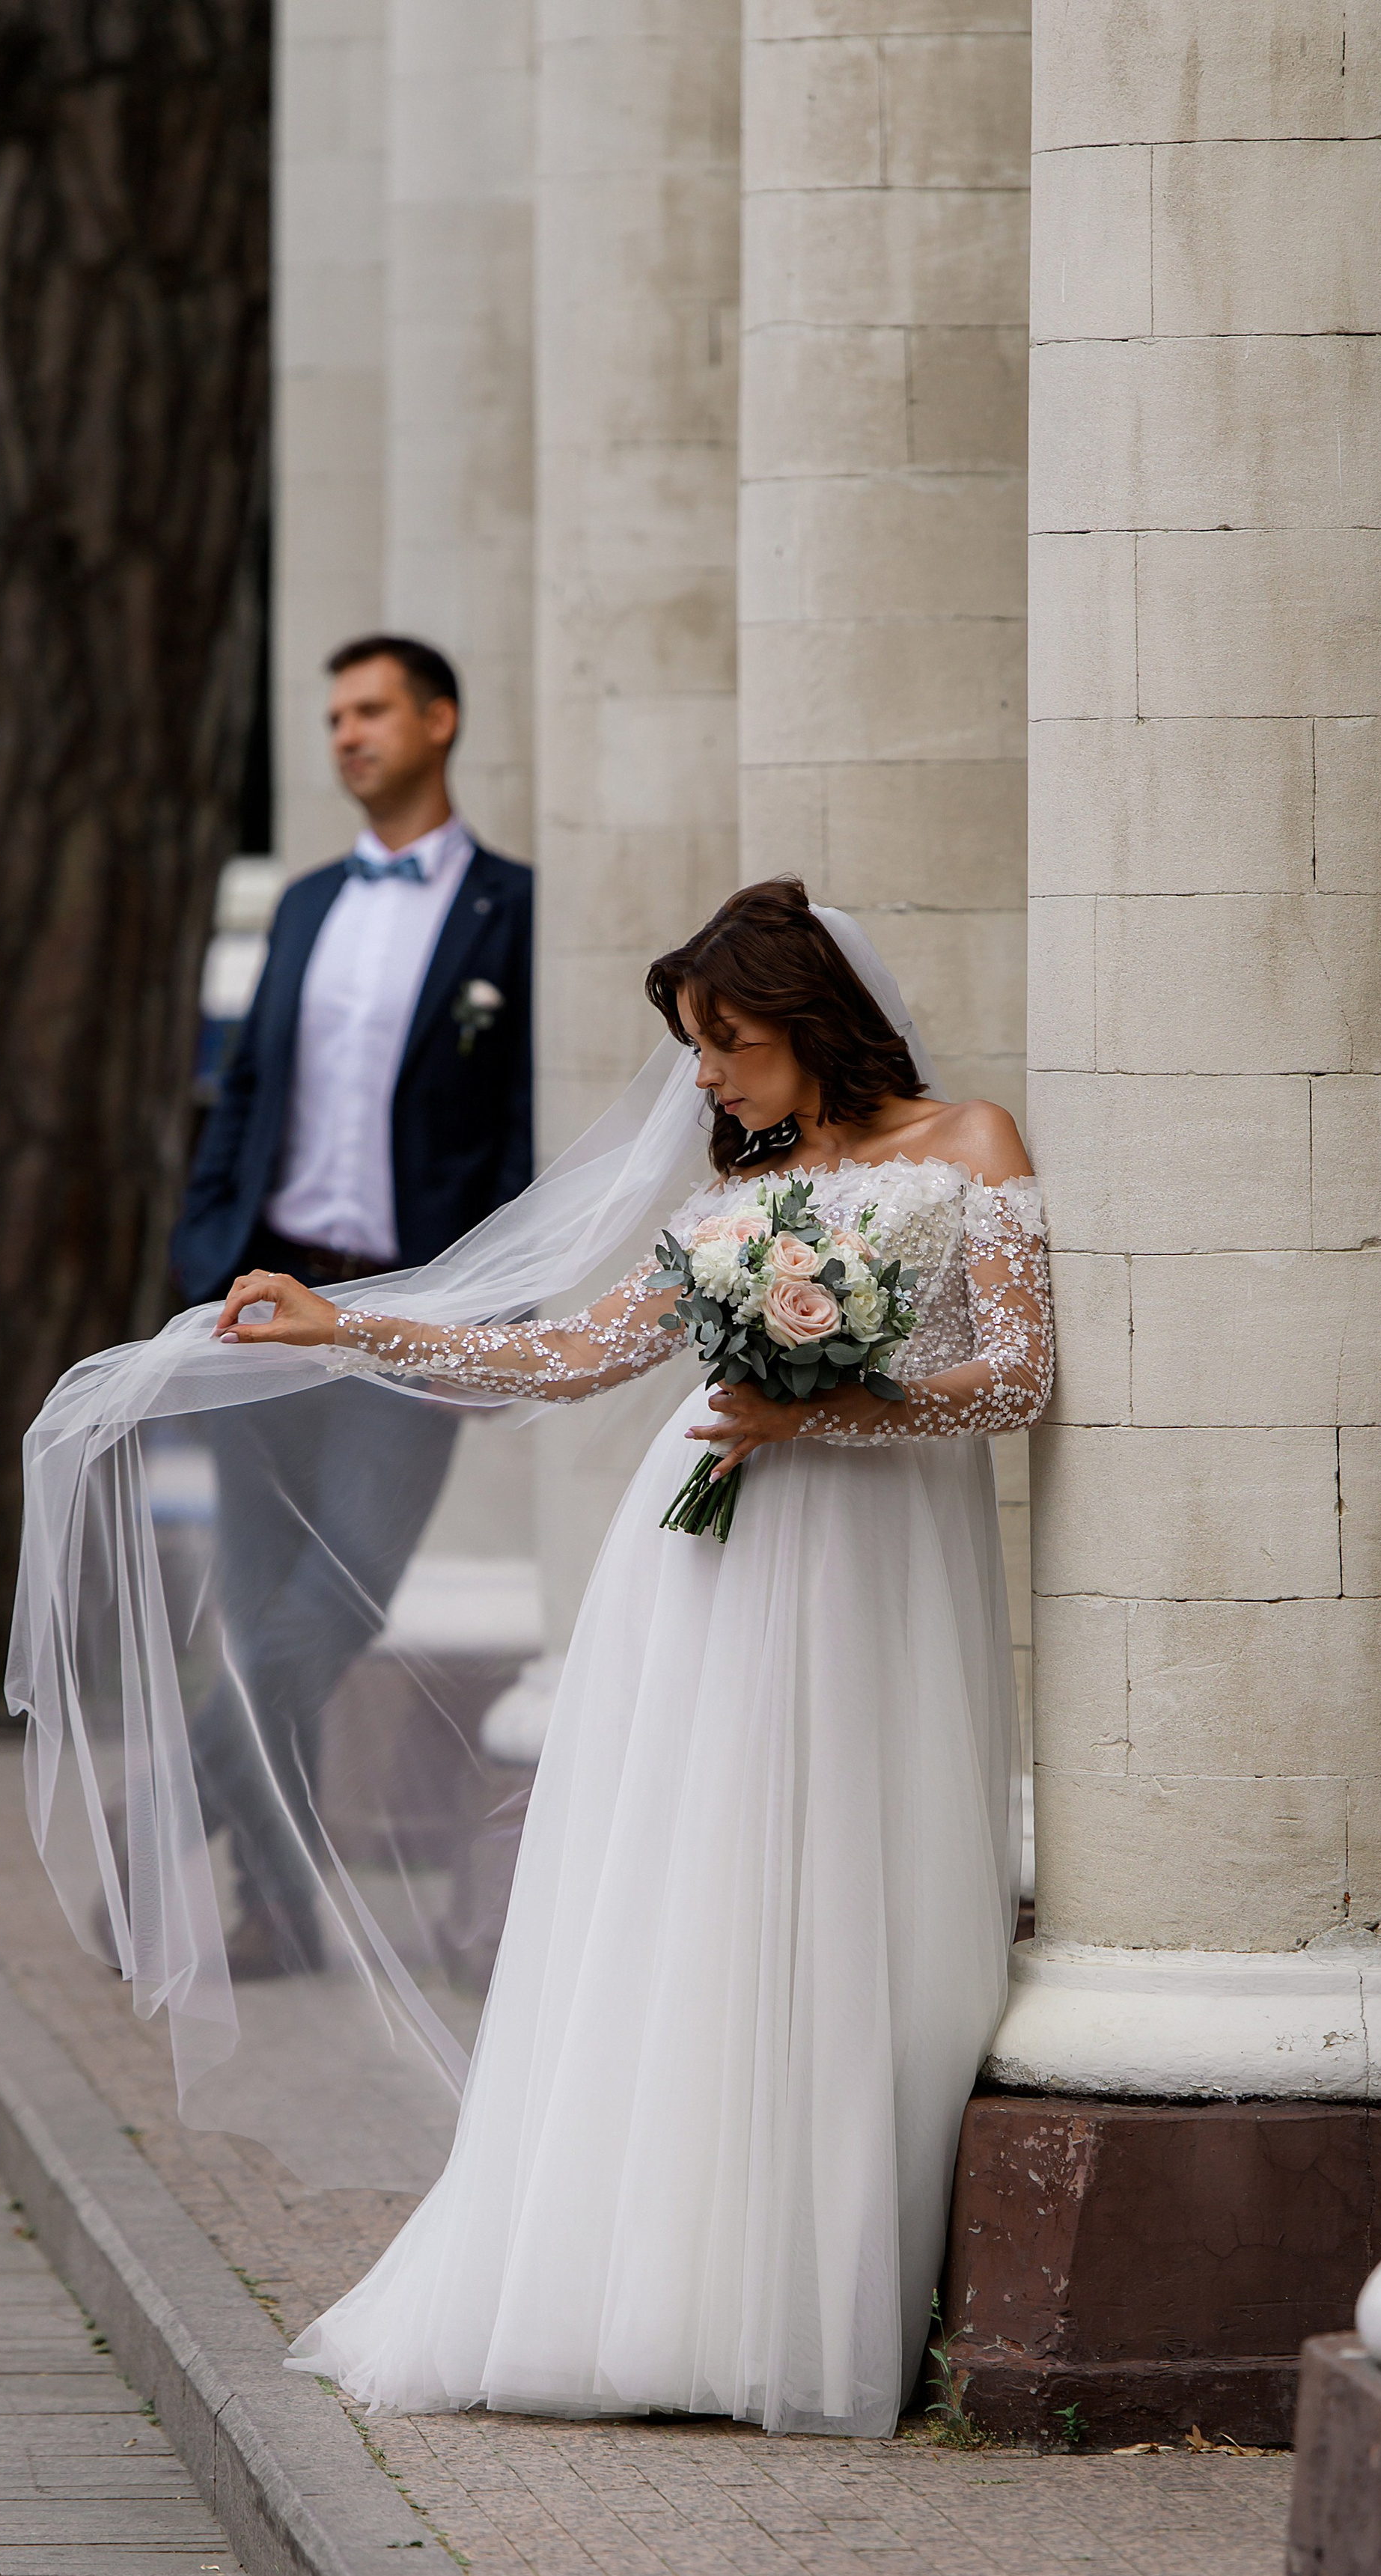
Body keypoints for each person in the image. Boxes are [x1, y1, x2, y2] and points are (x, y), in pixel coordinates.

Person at [201, 880, 1055, 2436]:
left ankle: (826, 2283)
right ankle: (665, 2285)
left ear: (809, 1017)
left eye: (726, 1044)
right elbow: (564, 1354)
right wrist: (346, 1328)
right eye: (693, 1050)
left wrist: (835, 1413)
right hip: (706, 1566)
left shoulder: (970, 1145)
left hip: (876, 1562)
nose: (707, 1080)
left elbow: (1013, 1380)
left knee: (853, 1874)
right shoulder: (730, 1209)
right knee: (702, 1879)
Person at [170, 636, 534, 1977]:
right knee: (264, 1588)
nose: (347, 734)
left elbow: (519, 1138)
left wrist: (493, 1319)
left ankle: (167, 1806)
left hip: (410, 1312)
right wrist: (207, 1256)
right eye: (333, 716)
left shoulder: (517, 912)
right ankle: (275, 1908)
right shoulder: (308, 902)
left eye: (372, 710)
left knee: (344, 1595)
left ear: (440, 721)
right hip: (266, 1297)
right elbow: (249, 1092)